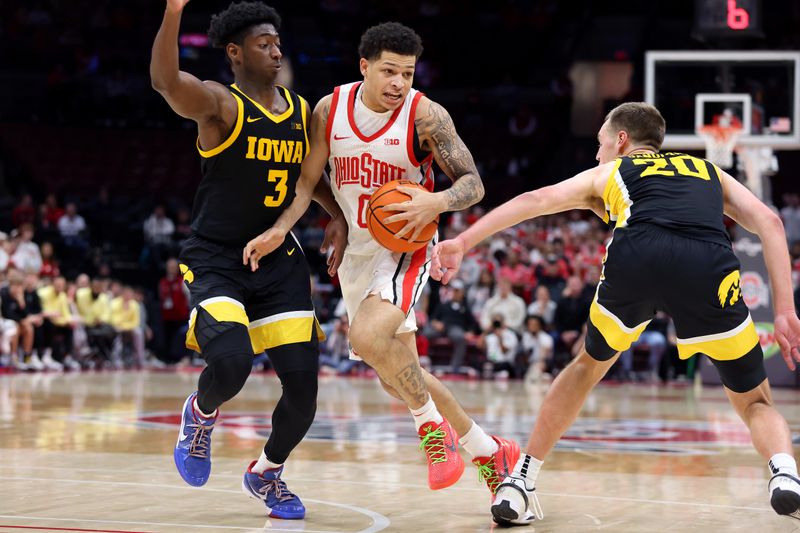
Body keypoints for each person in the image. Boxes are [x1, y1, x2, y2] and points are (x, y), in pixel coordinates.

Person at [432, 102, 800, 525]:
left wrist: (463, 241)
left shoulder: (613, 171)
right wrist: (785, 310)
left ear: (621, 140)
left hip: (636, 258)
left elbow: (536, 199)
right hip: (707, 267)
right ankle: (784, 473)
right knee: (754, 400)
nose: (597, 153)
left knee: (586, 366)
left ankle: (520, 482)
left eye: (600, 142)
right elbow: (770, 223)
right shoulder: (708, 171)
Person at [246, 22, 519, 498]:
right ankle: (488, 450)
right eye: (389, 71)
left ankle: (433, 431)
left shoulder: (425, 115)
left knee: (368, 337)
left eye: (407, 74)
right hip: (357, 250)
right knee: (398, 378)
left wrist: (436, 202)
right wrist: (291, 227)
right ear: (364, 67)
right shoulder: (330, 110)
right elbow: (308, 182)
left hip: (406, 246)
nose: (398, 83)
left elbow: (473, 183)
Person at [150, 0, 346, 519]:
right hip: (217, 257)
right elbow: (165, 82)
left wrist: (338, 216)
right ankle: (201, 413)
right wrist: (173, 11)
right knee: (232, 364)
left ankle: (266, 472)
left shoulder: (301, 111)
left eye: (278, 43)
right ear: (235, 52)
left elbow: (309, 179)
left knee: (303, 391)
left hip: (278, 259)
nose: (276, 51)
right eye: (264, 44)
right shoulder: (221, 105)